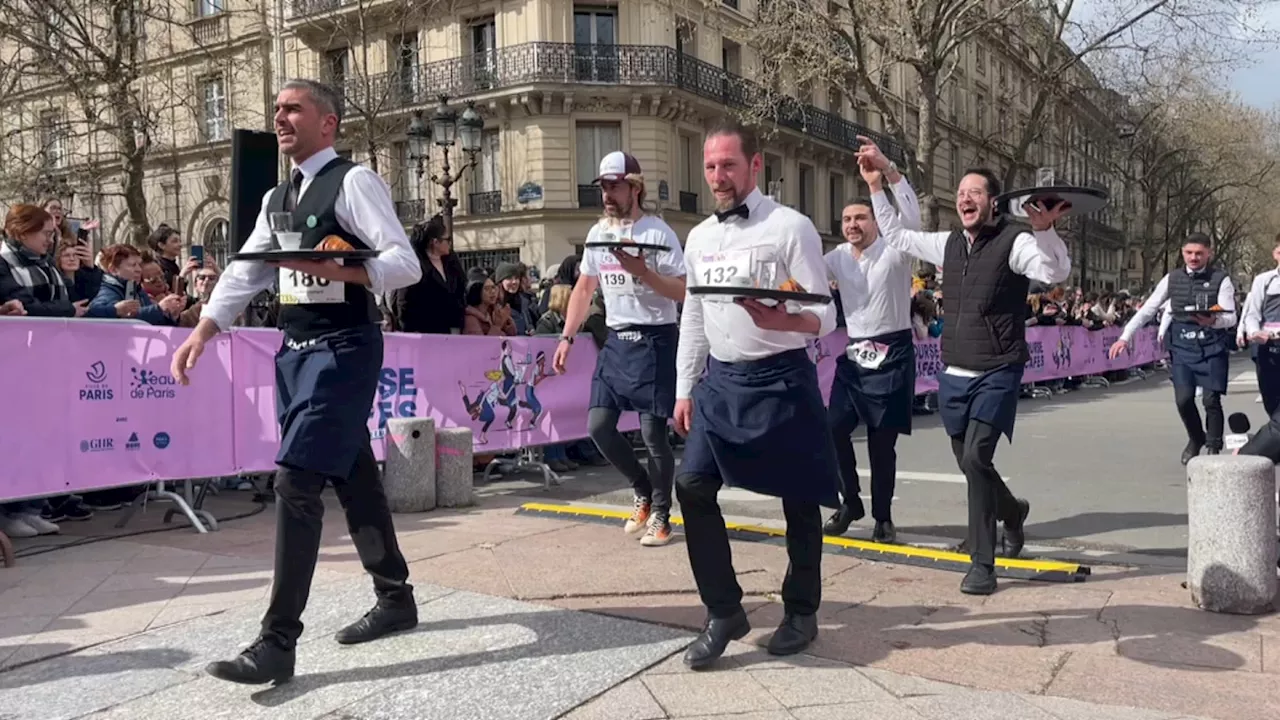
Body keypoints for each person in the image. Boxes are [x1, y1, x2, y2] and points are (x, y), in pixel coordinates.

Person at [169, 78, 423, 685]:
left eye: (292, 109)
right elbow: (246, 269)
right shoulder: (277, 196)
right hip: (295, 352)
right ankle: (396, 597)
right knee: (353, 471)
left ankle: (277, 641)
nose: (279, 118)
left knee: (296, 479)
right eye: (276, 110)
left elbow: (404, 264)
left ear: (327, 123)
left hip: (345, 347)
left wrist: (335, 268)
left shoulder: (353, 181)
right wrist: (205, 327)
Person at [863, 143, 1069, 595]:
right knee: (967, 460)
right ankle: (1012, 512)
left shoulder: (1017, 242)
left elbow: (1054, 273)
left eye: (974, 192)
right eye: (960, 192)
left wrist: (1045, 231)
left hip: (998, 368)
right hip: (955, 371)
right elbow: (896, 235)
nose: (964, 198)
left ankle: (983, 563)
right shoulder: (946, 244)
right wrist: (881, 181)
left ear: (992, 202)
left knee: (977, 457)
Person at [674, 120, 838, 669]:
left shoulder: (791, 227)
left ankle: (802, 611)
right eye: (711, 167)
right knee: (692, 485)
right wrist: (683, 388)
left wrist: (785, 321)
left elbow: (826, 313)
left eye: (728, 165)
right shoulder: (698, 238)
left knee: (801, 498)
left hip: (781, 376)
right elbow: (693, 315)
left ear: (755, 166)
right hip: (720, 381)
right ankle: (724, 611)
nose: (718, 177)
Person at [553, 151, 687, 547]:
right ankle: (643, 490)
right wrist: (566, 336)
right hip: (616, 340)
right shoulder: (597, 234)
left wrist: (643, 271)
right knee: (597, 426)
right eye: (604, 187)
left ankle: (662, 513)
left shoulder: (658, 233)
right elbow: (583, 288)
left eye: (615, 186)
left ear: (635, 187)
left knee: (652, 433)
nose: (608, 195)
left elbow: (682, 291)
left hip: (656, 337)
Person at [822, 139, 922, 544]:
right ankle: (851, 502)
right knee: (832, 429)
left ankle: (883, 516)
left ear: (876, 222)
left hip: (893, 351)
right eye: (846, 219)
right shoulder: (836, 257)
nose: (852, 225)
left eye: (860, 217)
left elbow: (912, 218)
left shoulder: (896, 251)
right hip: (855, 355)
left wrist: (883, 178)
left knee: (883, 446)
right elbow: (800, 272)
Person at [1110, 233, 1237, 464]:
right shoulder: (1172, 278)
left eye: (1199, 253)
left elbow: (1230, 317)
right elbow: (1148, 309)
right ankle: (1196, 438)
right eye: (1189, 253)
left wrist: (1212, 321)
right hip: (1182, 346)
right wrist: (1125, 337)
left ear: (1209, 252)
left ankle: (1213, 447)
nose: (1194, 257)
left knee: (1211, 400)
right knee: (1184, 399)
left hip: (1212, 345)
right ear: (1182, 253)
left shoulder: (1221, 279)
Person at [1237, 236, 1280, 415]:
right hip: (1268, 347)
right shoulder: (1264, 280)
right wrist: (1253, 331)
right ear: (1275, 254)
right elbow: (1252, 312)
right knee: (1271, 400)